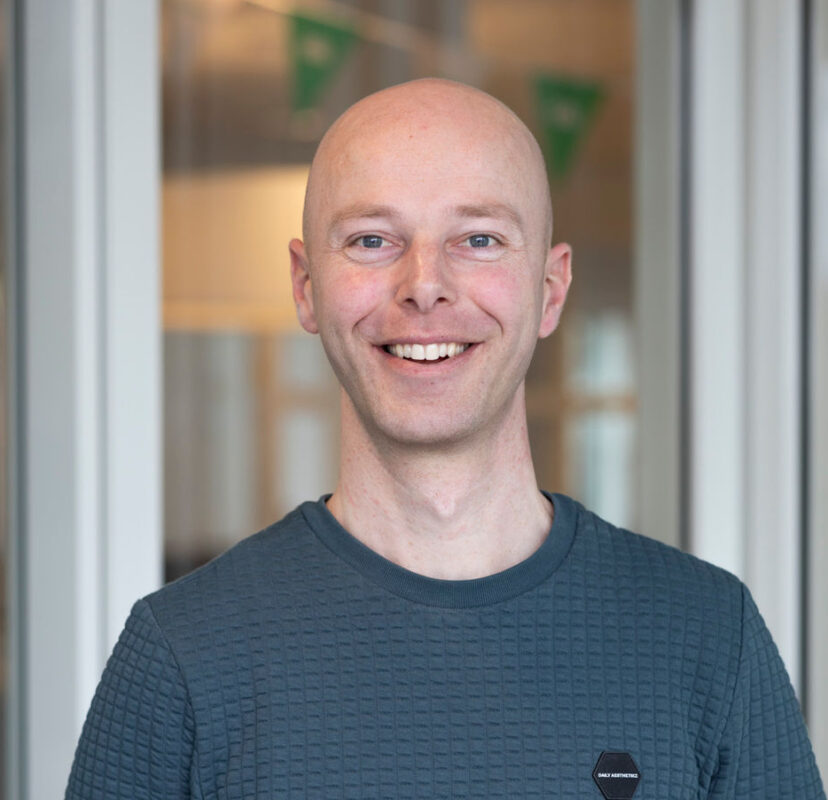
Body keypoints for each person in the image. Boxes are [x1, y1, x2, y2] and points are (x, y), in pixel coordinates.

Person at [66, 79, 824, 799]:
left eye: (480, 239)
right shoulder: (182, 655)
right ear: (305, 285)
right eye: (371, 240)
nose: (424, 285)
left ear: (550, 290)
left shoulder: (707, 636)